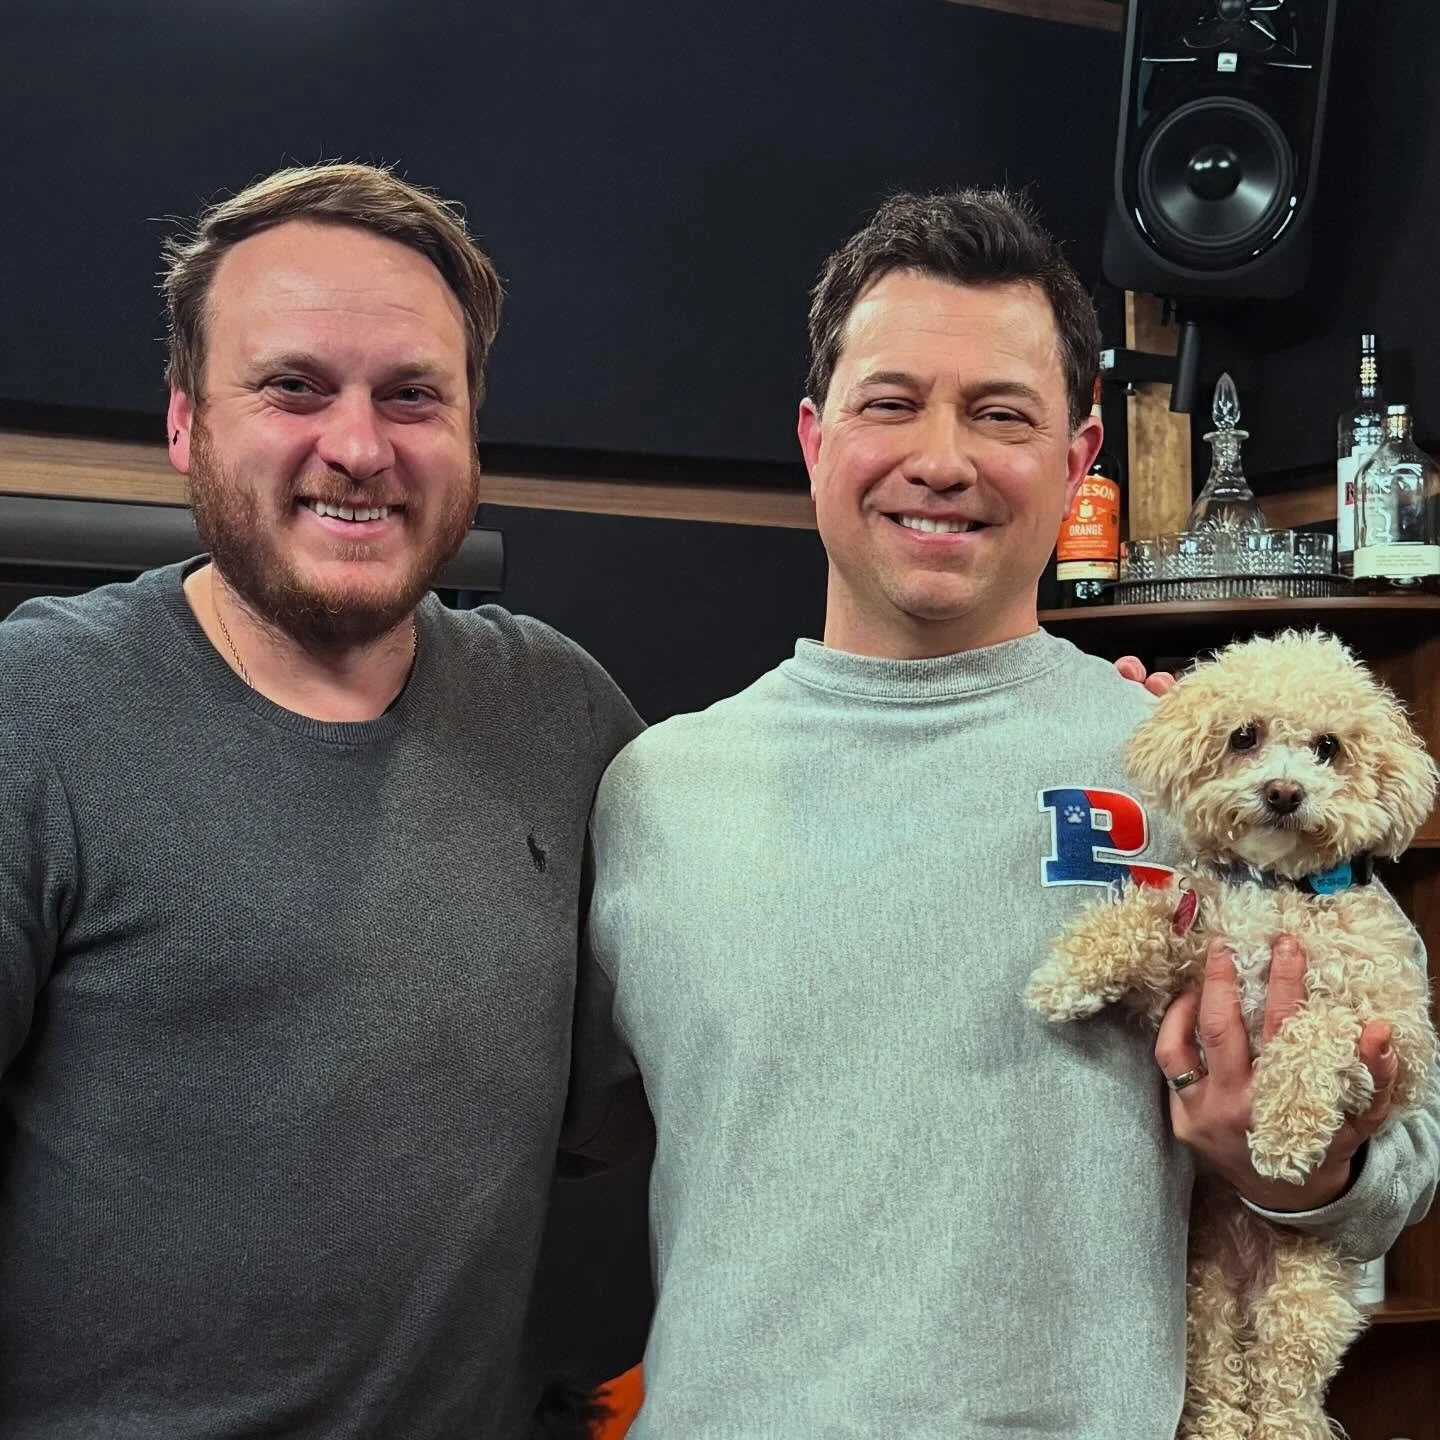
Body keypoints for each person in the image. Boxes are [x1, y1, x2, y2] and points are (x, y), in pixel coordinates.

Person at [582, 189, 1440, 1436]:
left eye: (1001, 413)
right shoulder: (657, 788)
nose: (943, 458)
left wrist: (1298, 1166)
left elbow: (1401, 1167)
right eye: (893, 402)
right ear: (816, 438)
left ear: (1077, 457)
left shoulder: (1195, 771)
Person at [0, 162, 647, 1438]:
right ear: (185, 421)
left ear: (471, 435)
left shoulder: (560, 713)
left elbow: (744, 1021)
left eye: (413, 396)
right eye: (293, 385)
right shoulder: (37, 712)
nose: (358, 446)